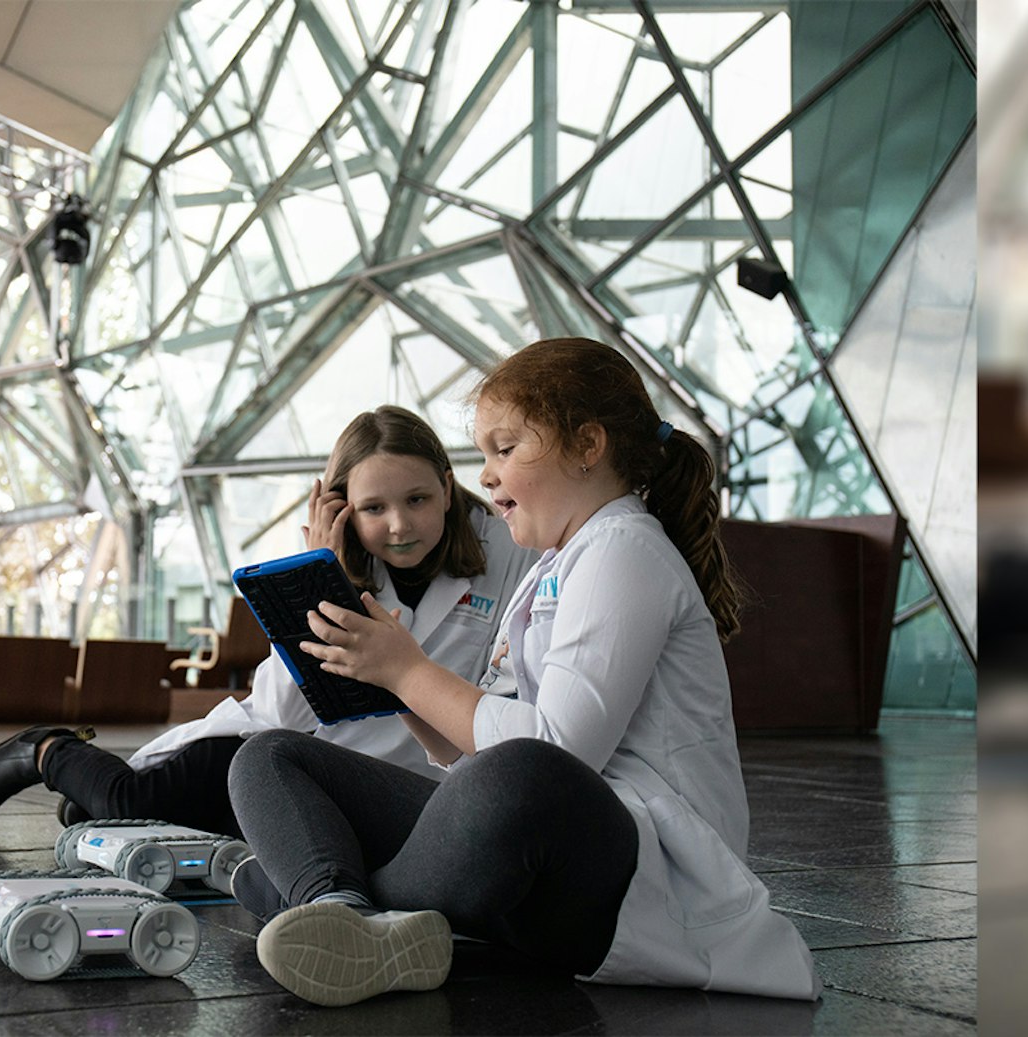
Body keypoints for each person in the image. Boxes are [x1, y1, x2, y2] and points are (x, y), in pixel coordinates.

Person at [222, 337, 812, 1007]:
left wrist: (410, 671)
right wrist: (393, 680)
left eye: (505, 449)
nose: (489, 476)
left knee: (522, 780)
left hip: (641, 873)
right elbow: (456, 747)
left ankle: (314, 886)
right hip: (545, 855)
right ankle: (344, 911)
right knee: (268, 758)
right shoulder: (561, 563)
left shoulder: (625, 548)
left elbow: (557, 752)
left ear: (587, 445)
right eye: (484, 454)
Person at [0, 406, 535, 835]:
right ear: (340, 509)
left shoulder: (509, 555)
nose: (399, 525)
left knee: (149, 822)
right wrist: (328, 579)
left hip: (389, 784)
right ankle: (47, 750)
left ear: (449, 490)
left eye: (417, 500)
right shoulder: (331, 572)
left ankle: (98, 803)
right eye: (373, 508)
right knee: (127, 799)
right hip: (274, 752)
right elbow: (282, 714)